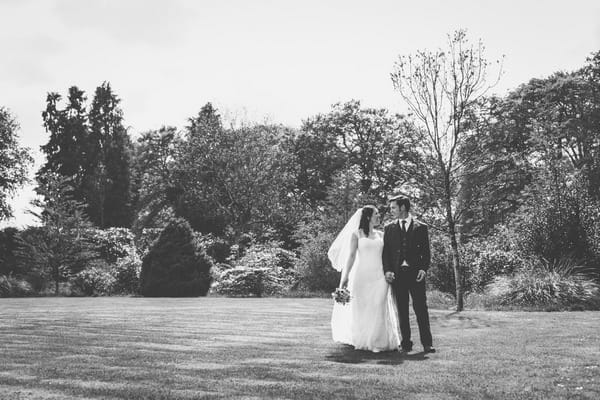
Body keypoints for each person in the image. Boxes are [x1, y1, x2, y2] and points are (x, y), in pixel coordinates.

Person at [328, 205, 400, 352]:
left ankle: (378, 341)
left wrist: (390, 271)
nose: (379, 216)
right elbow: (351, 256)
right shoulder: (357, 234)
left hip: (380, 275)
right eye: (376, 214)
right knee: (363, 307)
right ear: (368, 217)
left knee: (379, 305)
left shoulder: (381, 235)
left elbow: (388, 255)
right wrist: (345, 278)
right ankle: (364, 339)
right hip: (362, 275)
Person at [383, 196, 435, 353]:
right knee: (402, 310)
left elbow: (426, 252)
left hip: (415, 275)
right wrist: (388, 270)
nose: (391, 210)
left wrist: (423, 269)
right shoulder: (389, 228)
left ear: (403, 207)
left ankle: (427, 343)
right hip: (398, 276)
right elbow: (386, 253)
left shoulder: (421, 227)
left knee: (421, 309)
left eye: (393, 207)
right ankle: (406, 343)